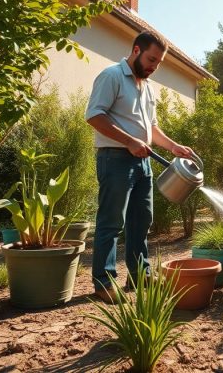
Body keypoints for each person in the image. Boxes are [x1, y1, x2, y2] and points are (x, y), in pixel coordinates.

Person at [85, 30, 193, 303]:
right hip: (115, 159)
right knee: (111, 223)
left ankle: (139, 274)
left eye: (158, 63)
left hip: (143, 162)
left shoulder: (147, 87)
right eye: (151, 59)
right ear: (136, 50)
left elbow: (152, 128)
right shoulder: (111, 76)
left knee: (141, 221)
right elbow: (94, 115)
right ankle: (104, 282)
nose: (154, 67)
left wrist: (173, 147)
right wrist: (130, 141)